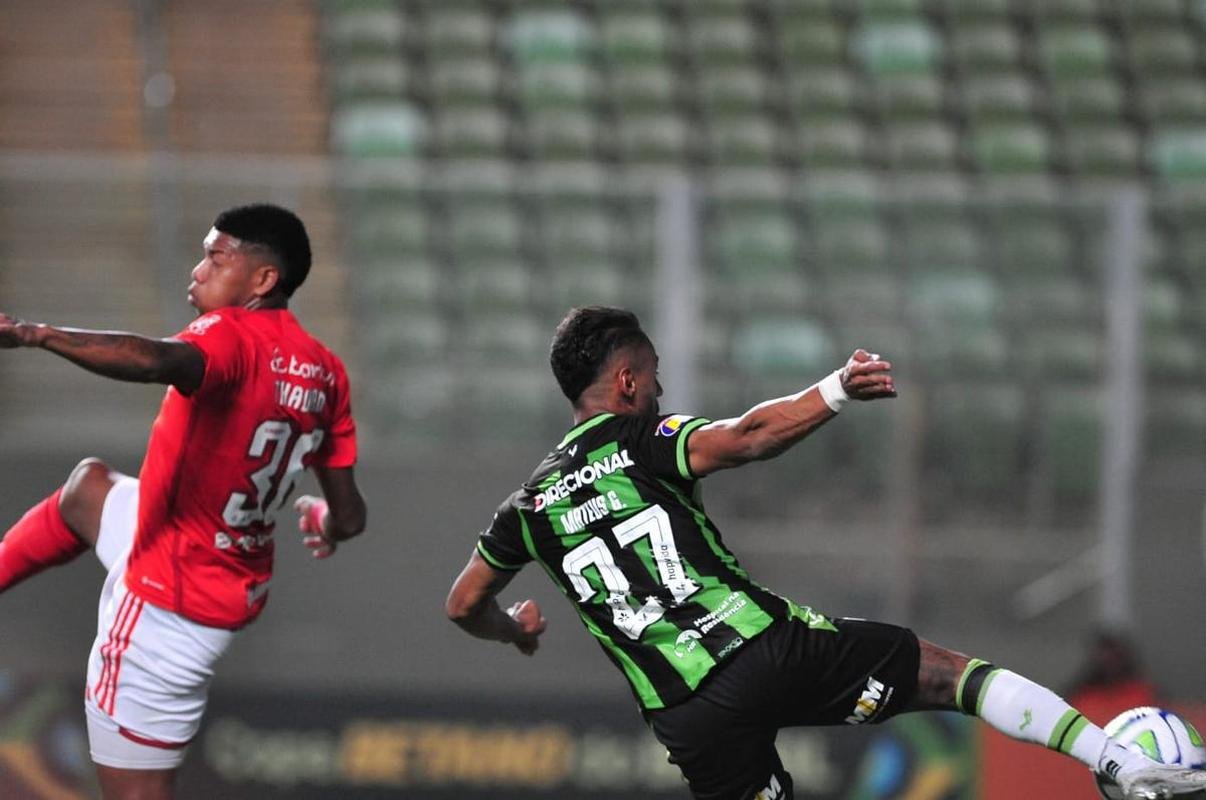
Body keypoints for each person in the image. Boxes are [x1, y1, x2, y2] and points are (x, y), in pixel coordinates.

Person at [446, 306, 1205, 800]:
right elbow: (746, 438)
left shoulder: (528, 506)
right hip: (758, 651)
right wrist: (835, 389)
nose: (661, 385)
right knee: (952, 677)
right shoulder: (642, 437)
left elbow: (463, 603)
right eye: (654, 375)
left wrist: (514, 629)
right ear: (627, 379)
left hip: (685, 717)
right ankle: (1118, 760)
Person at [0, 203, 367, 799]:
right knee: (89, 490)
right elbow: (351, 516)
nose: (198, 270)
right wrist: (326, 518)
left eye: (216, 257)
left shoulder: (230, 335)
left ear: (263, 280)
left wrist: (37, 335)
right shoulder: (327, 373)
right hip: (215, 571)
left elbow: (155, 360)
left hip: (162, 606)